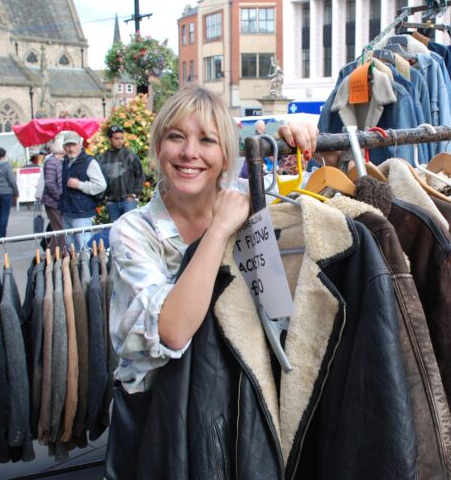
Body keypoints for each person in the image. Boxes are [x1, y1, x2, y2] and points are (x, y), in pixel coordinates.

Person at [105, 86, 317, 478]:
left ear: (226, 156)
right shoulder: (133, 231)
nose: (190, 152)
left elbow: (318, 195)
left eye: (207, 140)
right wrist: (218, 230)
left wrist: (309, 137)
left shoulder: (254, 199)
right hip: (162, 423)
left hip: (242, 406)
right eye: (176, 137)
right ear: (158, 148)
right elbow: (172, 331)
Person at [59, 131, 107, 250]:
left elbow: (101, 185)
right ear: (64, 147)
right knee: (71, 249)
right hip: (67, 212)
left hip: (82, 214)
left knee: (84, 248)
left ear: (80, 145)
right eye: (68, 145)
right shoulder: (65, 162)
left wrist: (80, 185)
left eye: (73, 145)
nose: (70, 148)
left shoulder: (89, 162)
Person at [97, 124, 144, 222]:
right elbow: (98, 179)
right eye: (117, 138)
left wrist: (134, 194)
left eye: (122, 138)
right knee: (115, 230)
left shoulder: (129, 155)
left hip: (128, 201)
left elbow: (140, 175)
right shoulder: (102, 158)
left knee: (130, 228)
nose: (120, 141)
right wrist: (104, 199)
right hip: (112, 203)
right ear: (110, 139)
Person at [37, 137, 66, 249]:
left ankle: (54, 251)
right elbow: (50, 184)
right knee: (59, 229)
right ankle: (54, 252)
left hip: (56, 201)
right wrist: (60, 197)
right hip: (53, 202)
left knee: (58, 229)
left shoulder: (60, 160)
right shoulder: (51, 161)